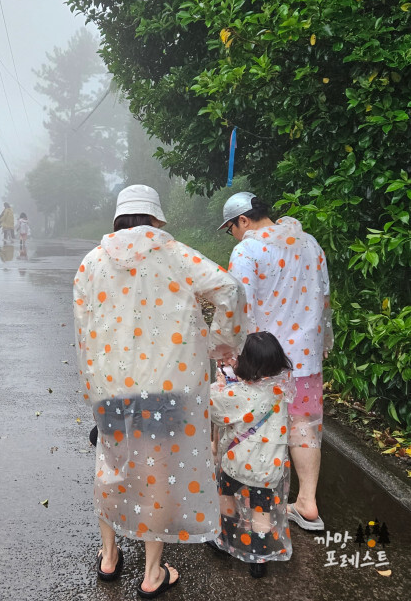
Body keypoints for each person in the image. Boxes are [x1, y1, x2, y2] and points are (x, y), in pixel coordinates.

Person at [74, 184, 246, 597]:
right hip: (167, 383)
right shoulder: (175, 254)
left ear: (118, 219)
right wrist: (220, 347)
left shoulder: (92, 262)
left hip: (112, 385)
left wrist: (93, 381)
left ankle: (109, 557)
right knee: (155, 474)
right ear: (155, 218)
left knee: (110, 464)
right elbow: (230, 289)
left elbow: (84, 328)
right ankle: (152, 574)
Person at [218, 192, 333, 531]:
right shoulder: (310, 243)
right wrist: (322, 341)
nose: (234, 235)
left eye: (231, 228)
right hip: (306, 358)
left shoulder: (247, 250)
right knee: (305, 426)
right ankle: (307, 503)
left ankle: (252, 512)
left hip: (262, 360)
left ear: (243, 220)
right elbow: (324, 298)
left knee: (255, 428)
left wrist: (228, 355)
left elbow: (239, 307)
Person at [210, 332, 296, 579]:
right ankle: (259, 558)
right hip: (269, 467)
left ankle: (224, 540)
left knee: (225, 493)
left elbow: (215, 409)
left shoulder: (240, 394)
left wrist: (220, 384)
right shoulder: (280, 389)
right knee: (261, 509)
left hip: (237, 463)